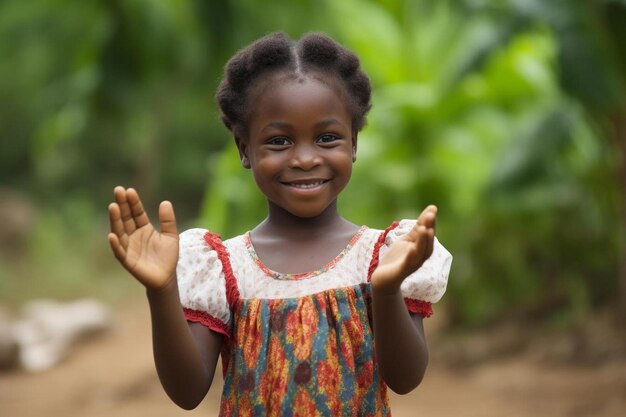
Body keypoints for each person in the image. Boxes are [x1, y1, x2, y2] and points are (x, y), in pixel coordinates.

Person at [107, 32, 452, 416]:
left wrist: (385, 290)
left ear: (353, 143)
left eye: (326, 138)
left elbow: (406, 379)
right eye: (279, 142)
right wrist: (162, 288)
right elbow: (187, 392)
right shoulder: (223, 269)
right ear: (244, 149)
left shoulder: (382, 258)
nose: (305, 158)